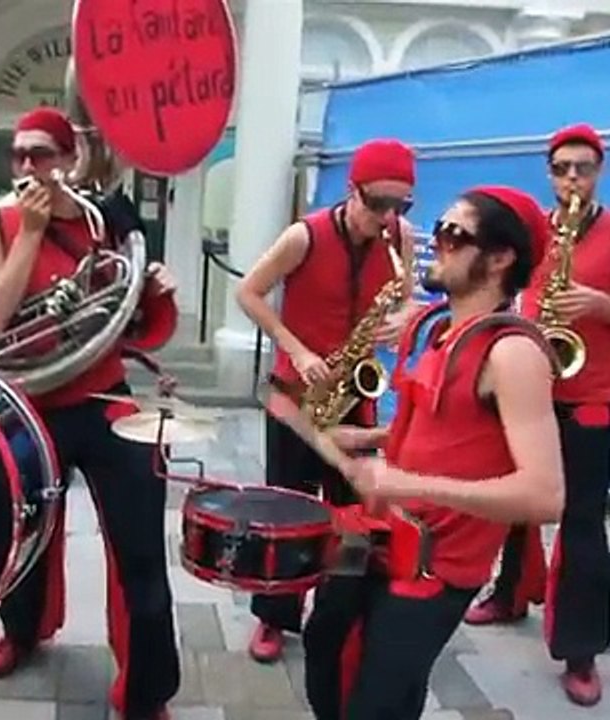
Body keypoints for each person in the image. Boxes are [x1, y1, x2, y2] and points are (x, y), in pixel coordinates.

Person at [300, 185, 565, 720]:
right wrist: (371, 439)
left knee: (378, 698)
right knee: (324, 642)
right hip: (384, 531)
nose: (434, 244)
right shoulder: (443, 329)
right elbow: (452, 428)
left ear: (499, 257)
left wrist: (406, 484)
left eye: (453, 235)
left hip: (435, 565)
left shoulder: (511, 354)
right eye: (437, 230)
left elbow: (545, 495)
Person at [0, 107, 180, 720]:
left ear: (69, 161)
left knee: (140, 550)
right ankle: (24, 630)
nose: (29, 167)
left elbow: (130, 317)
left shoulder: (106, 222)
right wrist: (29, 233)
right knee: (22, 532)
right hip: (30, 401)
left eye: (43, 155)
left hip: (106, 396)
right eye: (19, 155)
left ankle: (145, 687)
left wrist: (152, 289)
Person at [235, 138, 419, 662]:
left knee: (354, 510)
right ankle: (275, 616)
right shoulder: (304, 236)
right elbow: (248, 292)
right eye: (376, 203)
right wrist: (298, 349)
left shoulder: (398, 237)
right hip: (297, 392)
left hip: (353, 394)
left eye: (399, 206)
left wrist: (401, 322)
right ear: (350, 189)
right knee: (287, 506)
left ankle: (339, 610)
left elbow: (405, 302)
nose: (386, 217)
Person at [464, 123, 610, 707]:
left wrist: (603, 304)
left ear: (598, 171)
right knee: (515, 505)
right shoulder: (529, 234)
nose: (572, 178)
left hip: (594, 396)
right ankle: (510, 593)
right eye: (561, 168)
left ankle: (580, 649)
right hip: (530, 391)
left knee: (581, 521)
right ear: (548, 174)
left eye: (583, 167)